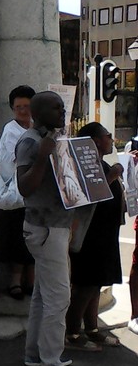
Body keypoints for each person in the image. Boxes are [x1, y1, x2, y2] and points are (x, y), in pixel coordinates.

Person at [16, 91, 83, 366]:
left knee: (44, 295)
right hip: (45, 228)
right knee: (59, 298)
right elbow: (25, 187)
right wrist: (43, 157)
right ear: (39, 112)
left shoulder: (54, 137)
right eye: (56, 108)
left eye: (62, 107)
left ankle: (35, 354)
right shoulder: (31, 142)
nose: (62, 112)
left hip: (54, 226)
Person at [65, 122, 123, 350]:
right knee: (86, 284)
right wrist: (112, 177)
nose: (111, 139)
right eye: (108, 136)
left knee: (97, 283)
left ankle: (92, 328)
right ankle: (72, 332)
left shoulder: (103, 163)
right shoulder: (85, 166)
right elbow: (87, 196)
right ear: (97, 141)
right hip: (90, 234)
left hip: (106, 233)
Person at [0, 86, 36, 300]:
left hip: (37, 192)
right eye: (18, 107)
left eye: (27, 106)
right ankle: (15, 281)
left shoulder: (39, 126)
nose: (22, 110)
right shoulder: (10, 130)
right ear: (12, 108)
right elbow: (13, 158)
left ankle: (32, 279)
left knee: (34, 236)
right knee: (16, 236)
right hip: (17, 189)